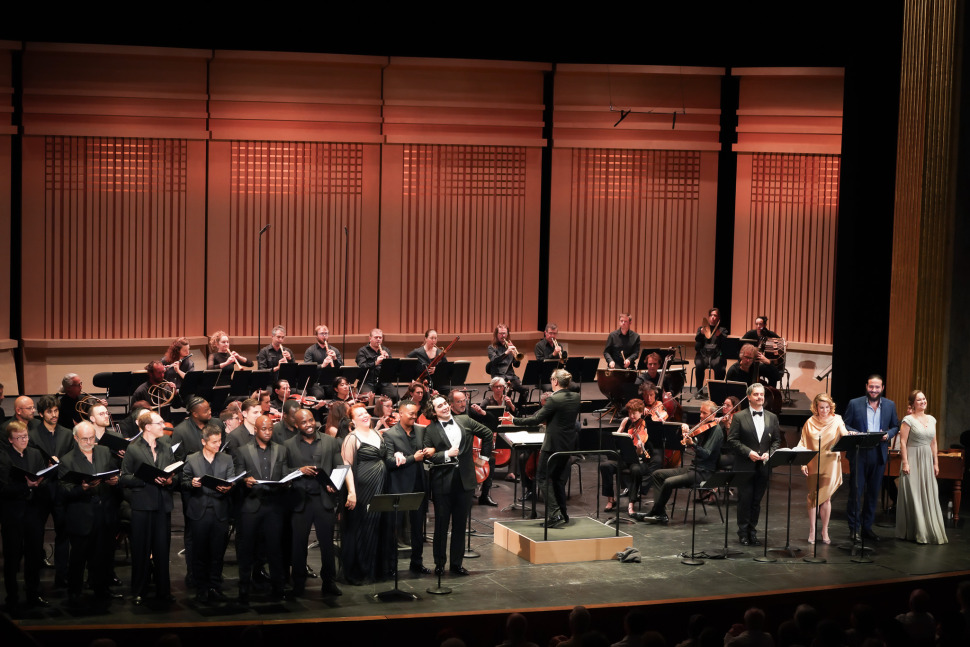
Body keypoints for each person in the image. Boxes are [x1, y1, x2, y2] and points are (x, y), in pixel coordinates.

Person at [424, 395, 493, 575]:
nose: (445, 407)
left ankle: (456, 564)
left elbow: (487, 433)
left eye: (445, 403)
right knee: (441, 526)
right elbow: (428, 456)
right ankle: (439, 564)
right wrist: (447, 454)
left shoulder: (464, 419)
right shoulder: (430, 430)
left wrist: (483, 458)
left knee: (460, 526)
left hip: (465, 481)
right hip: (442, 483)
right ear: (434, 411)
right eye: (440, 406)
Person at [507, 368, 580, 528]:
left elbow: (536, 419)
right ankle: (564, 514)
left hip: (553, 445)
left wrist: (514, 420)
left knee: (541, 477)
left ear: (555, 381)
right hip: (567, 445)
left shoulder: (554, 399)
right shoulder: (576, 397)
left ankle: (554, 514)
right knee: (557, 480)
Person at [58, 421, 121, 606]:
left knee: (102, 557)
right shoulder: (67, 460)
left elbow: (112, 474)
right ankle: (75, 592)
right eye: (84, 438)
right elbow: (63, 491)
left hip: (103, 515)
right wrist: (82, 488)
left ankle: (101, 589)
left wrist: (115, 481)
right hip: (82, 517)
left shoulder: (103, 452)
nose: (88, 441)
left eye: (92, 438)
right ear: (76, 438)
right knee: (78, 559)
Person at [284, 408, 344, 596]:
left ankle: (329, 582)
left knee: (327, 545)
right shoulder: (287, 445)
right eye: (304, 422)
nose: (309, 424)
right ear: (296, 425)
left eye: (310, 420)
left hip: (323, 500)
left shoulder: (330, 441)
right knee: (298, 545)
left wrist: (334, 484)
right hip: (300, 500)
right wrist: (299, 470)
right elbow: (282, 470)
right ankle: (299, 584)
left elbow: (339, 467)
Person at [120, 410, 177, 605]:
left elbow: (172, 472)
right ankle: (139, 590)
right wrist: (146, 480)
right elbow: (124, 477)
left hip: (162, 504)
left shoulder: (165, 445)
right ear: (148, 427)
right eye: (159, 423)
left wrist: (170, 479)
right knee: (141, 550)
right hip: (143, 505)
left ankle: (164, 591)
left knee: (162, 550)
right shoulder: (134, 448)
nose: (164, 426)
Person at [638, 400, 724, 524]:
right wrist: (685, 432)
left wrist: (692, 444)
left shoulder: (716, 431)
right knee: (657, 474)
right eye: (700, 412)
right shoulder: (703, 426)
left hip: (704, 472)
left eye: (704, 413)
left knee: (668, 482)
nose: (700, 415)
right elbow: (691, 440)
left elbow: (705, 454)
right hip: (694, 468)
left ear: (713, 415)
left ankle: (656, 512)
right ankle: (659, 512)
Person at [233, 414, 289, 603]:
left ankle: (278, 588)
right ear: (255, 430)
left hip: (273, 506)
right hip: (251, 505)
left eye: (270, 429)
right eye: (263, 429)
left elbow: (285, 474)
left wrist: (286, 481)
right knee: (246, 549)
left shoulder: (281, 450)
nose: (267, 432)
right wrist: (244, 481)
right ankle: (243, 590)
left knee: (274, 549)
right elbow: (237, 475)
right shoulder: (243, 450)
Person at [181, 424, 236, 603]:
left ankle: (214, 585)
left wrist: (228, 487)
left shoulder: (227, 459)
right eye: (213, 442)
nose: (217, 445)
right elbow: (184, 481)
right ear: (203, 441)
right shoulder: (192, 459)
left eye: (219, 441)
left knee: (217, 552)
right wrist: (193, 483)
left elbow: (231, 479)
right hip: (199, 511)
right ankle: (201, 586)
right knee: (199, 551)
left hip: (219, 510)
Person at [842, 374, 899, 543]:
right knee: (856, 492)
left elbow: (896, 425)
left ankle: (867, 528)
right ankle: (854, 529)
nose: (873, 390)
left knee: (873, 494)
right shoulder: (855, 403)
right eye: (871, 387)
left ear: (882, 388)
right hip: (859, 452)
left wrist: (888, 435)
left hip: (878, 453)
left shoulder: (889, 405)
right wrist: (855, 433)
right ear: (866, 386)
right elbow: (845, 424)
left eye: (877, 387)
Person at [0, 421, 49, 608]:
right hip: (13, 514)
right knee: (12, 557)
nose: (24, 440)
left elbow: (41, 478)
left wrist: (39, 483)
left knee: (34, 555)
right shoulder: (4, 458)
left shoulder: (35, 454)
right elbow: (3, 488)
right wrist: (26, 486)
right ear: (11, 440)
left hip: (33, 512)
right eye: (20, 437)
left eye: (26, 436)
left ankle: (33, 593)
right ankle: (12, 596)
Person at [340, 403, 389, 584]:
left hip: (381, 485)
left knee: (377, 526)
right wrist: (351, 492)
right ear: (352, 420)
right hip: (363, 488)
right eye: (359, 414)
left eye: (365, 412)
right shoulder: (351, 438)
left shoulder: (377, 433)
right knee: (364, 527)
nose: (364, 415)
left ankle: (375, 569)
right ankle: (361, 570)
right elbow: (346, 466)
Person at [727, 383, 781, 546]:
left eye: (762, 394)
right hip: (745, 466)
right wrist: (748, 452)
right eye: (756, 394)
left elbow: (777, 441)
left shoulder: (772, 417)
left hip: (763, 466)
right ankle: (743, 532)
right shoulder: (739, 417)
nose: (760, 397)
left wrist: (769, 454)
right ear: (749, 397)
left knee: (757, 501)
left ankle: (752, 531)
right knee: (745, 500)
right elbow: (732, 440)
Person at [383, 399, 433, 575]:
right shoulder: (390, 434)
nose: (414, 416)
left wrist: (430, 451)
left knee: (417, 529)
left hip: (419, 485)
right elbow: (389, 462)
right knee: (394, 529)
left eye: (415, 413)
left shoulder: (421, 430)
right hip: (398, 487)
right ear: (400, 413)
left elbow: (428, 450)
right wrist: (413, 458)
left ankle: (417, 563)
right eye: (410, 413)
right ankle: (391, 566)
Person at [29, 394, 74, 587]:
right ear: (41, 414)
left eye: (56, 411)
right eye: (49, 411)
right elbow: (30, 460)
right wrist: (44, 463)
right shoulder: (33, 435)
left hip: (61, 488)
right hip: (42, 489)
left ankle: (62, 575)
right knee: (36, 534)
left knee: (63, 532)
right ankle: (35, 579)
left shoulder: (66, 433)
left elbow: (72, 457)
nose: (54, 414)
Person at [796, 393, 850, 544]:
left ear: (830, 407)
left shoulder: (837, 419)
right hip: (814, 462)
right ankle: (812, 530)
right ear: (816, 407)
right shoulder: (810, 422)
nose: (824, 411)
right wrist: (802, 463)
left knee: (826, 498)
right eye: (821, 408)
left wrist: (849, 435)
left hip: (831, 462)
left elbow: (844, 434)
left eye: (827, 407)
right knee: (813, 496)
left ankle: (824, 530)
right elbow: (802, 443)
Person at [896, 390, 947, 544]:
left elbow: (934, 442)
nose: (923, 401)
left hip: (926, 458)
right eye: (919, 400)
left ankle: (928, 529)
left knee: (928, 492)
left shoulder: (932, 419)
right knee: (914, 495)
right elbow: (903, 442)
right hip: (912, 457)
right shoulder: (908, 420)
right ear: (912, 403)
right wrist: (905, 462)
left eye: (924, 399)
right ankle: (917, 531)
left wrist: (936, 462)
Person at [599, 399, 648, 516]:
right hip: (623, 458)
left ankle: (631, 503)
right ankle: (611, 499)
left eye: (634, 413)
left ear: (641, 412)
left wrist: (640, 447)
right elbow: (616, 440)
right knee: (605, 466)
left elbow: (639, 453)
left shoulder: (644, 426)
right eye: (630, 413)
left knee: (636, 470)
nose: (631, 416)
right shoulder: (626, 422)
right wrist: (621, 429)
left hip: (636, 460)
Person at [487, 323, 528, 404]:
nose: (503, 336)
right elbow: (494, 361)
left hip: (511, 376)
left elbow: (516, 365)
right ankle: (505, 411)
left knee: (525, 390)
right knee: (507, 391)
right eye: (501, 333)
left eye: (505, 333)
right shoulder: (492, 347)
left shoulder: (509, 346)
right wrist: (506, 352)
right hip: (498, 376)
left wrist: (516, 356)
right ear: (496, 334)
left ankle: (518, 411)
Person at [356, 328, 397, 400]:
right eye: (376, 337)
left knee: (394, 396)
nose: (378, 339)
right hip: (368, 382)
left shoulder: (386, 350)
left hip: (383, 382)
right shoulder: (362, 351)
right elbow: (361, 367)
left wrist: (388, 361)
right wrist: (375, 363)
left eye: (380, 337)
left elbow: (391, 369)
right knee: (367, 398)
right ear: (370, 338)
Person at [694, 307, 728, 392]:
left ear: (718, 318)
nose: (713, 317)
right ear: (708, 317)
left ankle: (717, 390)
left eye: (715, 315)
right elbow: (697, 342)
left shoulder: (722, 330)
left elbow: (725, 344)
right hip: (703, 355)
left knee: (720, 367)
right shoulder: (702, 329)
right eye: (711, 315)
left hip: (716, 356)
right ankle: (699, 390)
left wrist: (720, 335)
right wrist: (701, 334)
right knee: (699, 364)